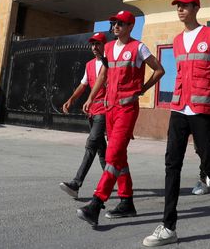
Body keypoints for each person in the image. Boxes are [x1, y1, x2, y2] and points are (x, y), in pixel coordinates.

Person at [143, 0, 210, 247]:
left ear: (196, 8)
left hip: (203, 108)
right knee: (171, 164)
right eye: (177, 6)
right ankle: (168, 226)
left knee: (209, 163)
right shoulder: (177, 40)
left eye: (185, 6)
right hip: (179, 107)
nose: (180, 9)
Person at [76, 11, 165, 227]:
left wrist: (142, 89)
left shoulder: (138, 48)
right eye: (114, 23)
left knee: (113, 154)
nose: (115, 26)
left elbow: (159, 70)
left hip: (127, 109)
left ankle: (97, 202)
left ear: (130, 26)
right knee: (120, 156)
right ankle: (126, 202)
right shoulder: (107, 48)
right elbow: (103, 76)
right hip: (109, 108)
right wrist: (91, 98)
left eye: (121, 23)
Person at [59, 32, 109, 198]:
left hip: (104, 110)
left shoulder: (111, 63)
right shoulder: (89, 65)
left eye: (98, 44)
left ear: (104, 45)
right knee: (101, 149)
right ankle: (110, 179)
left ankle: (76, 184)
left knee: (91, 144)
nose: (94, 47)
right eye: (92, 44)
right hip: (92, 111)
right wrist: (71, 100)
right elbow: (83, 85)